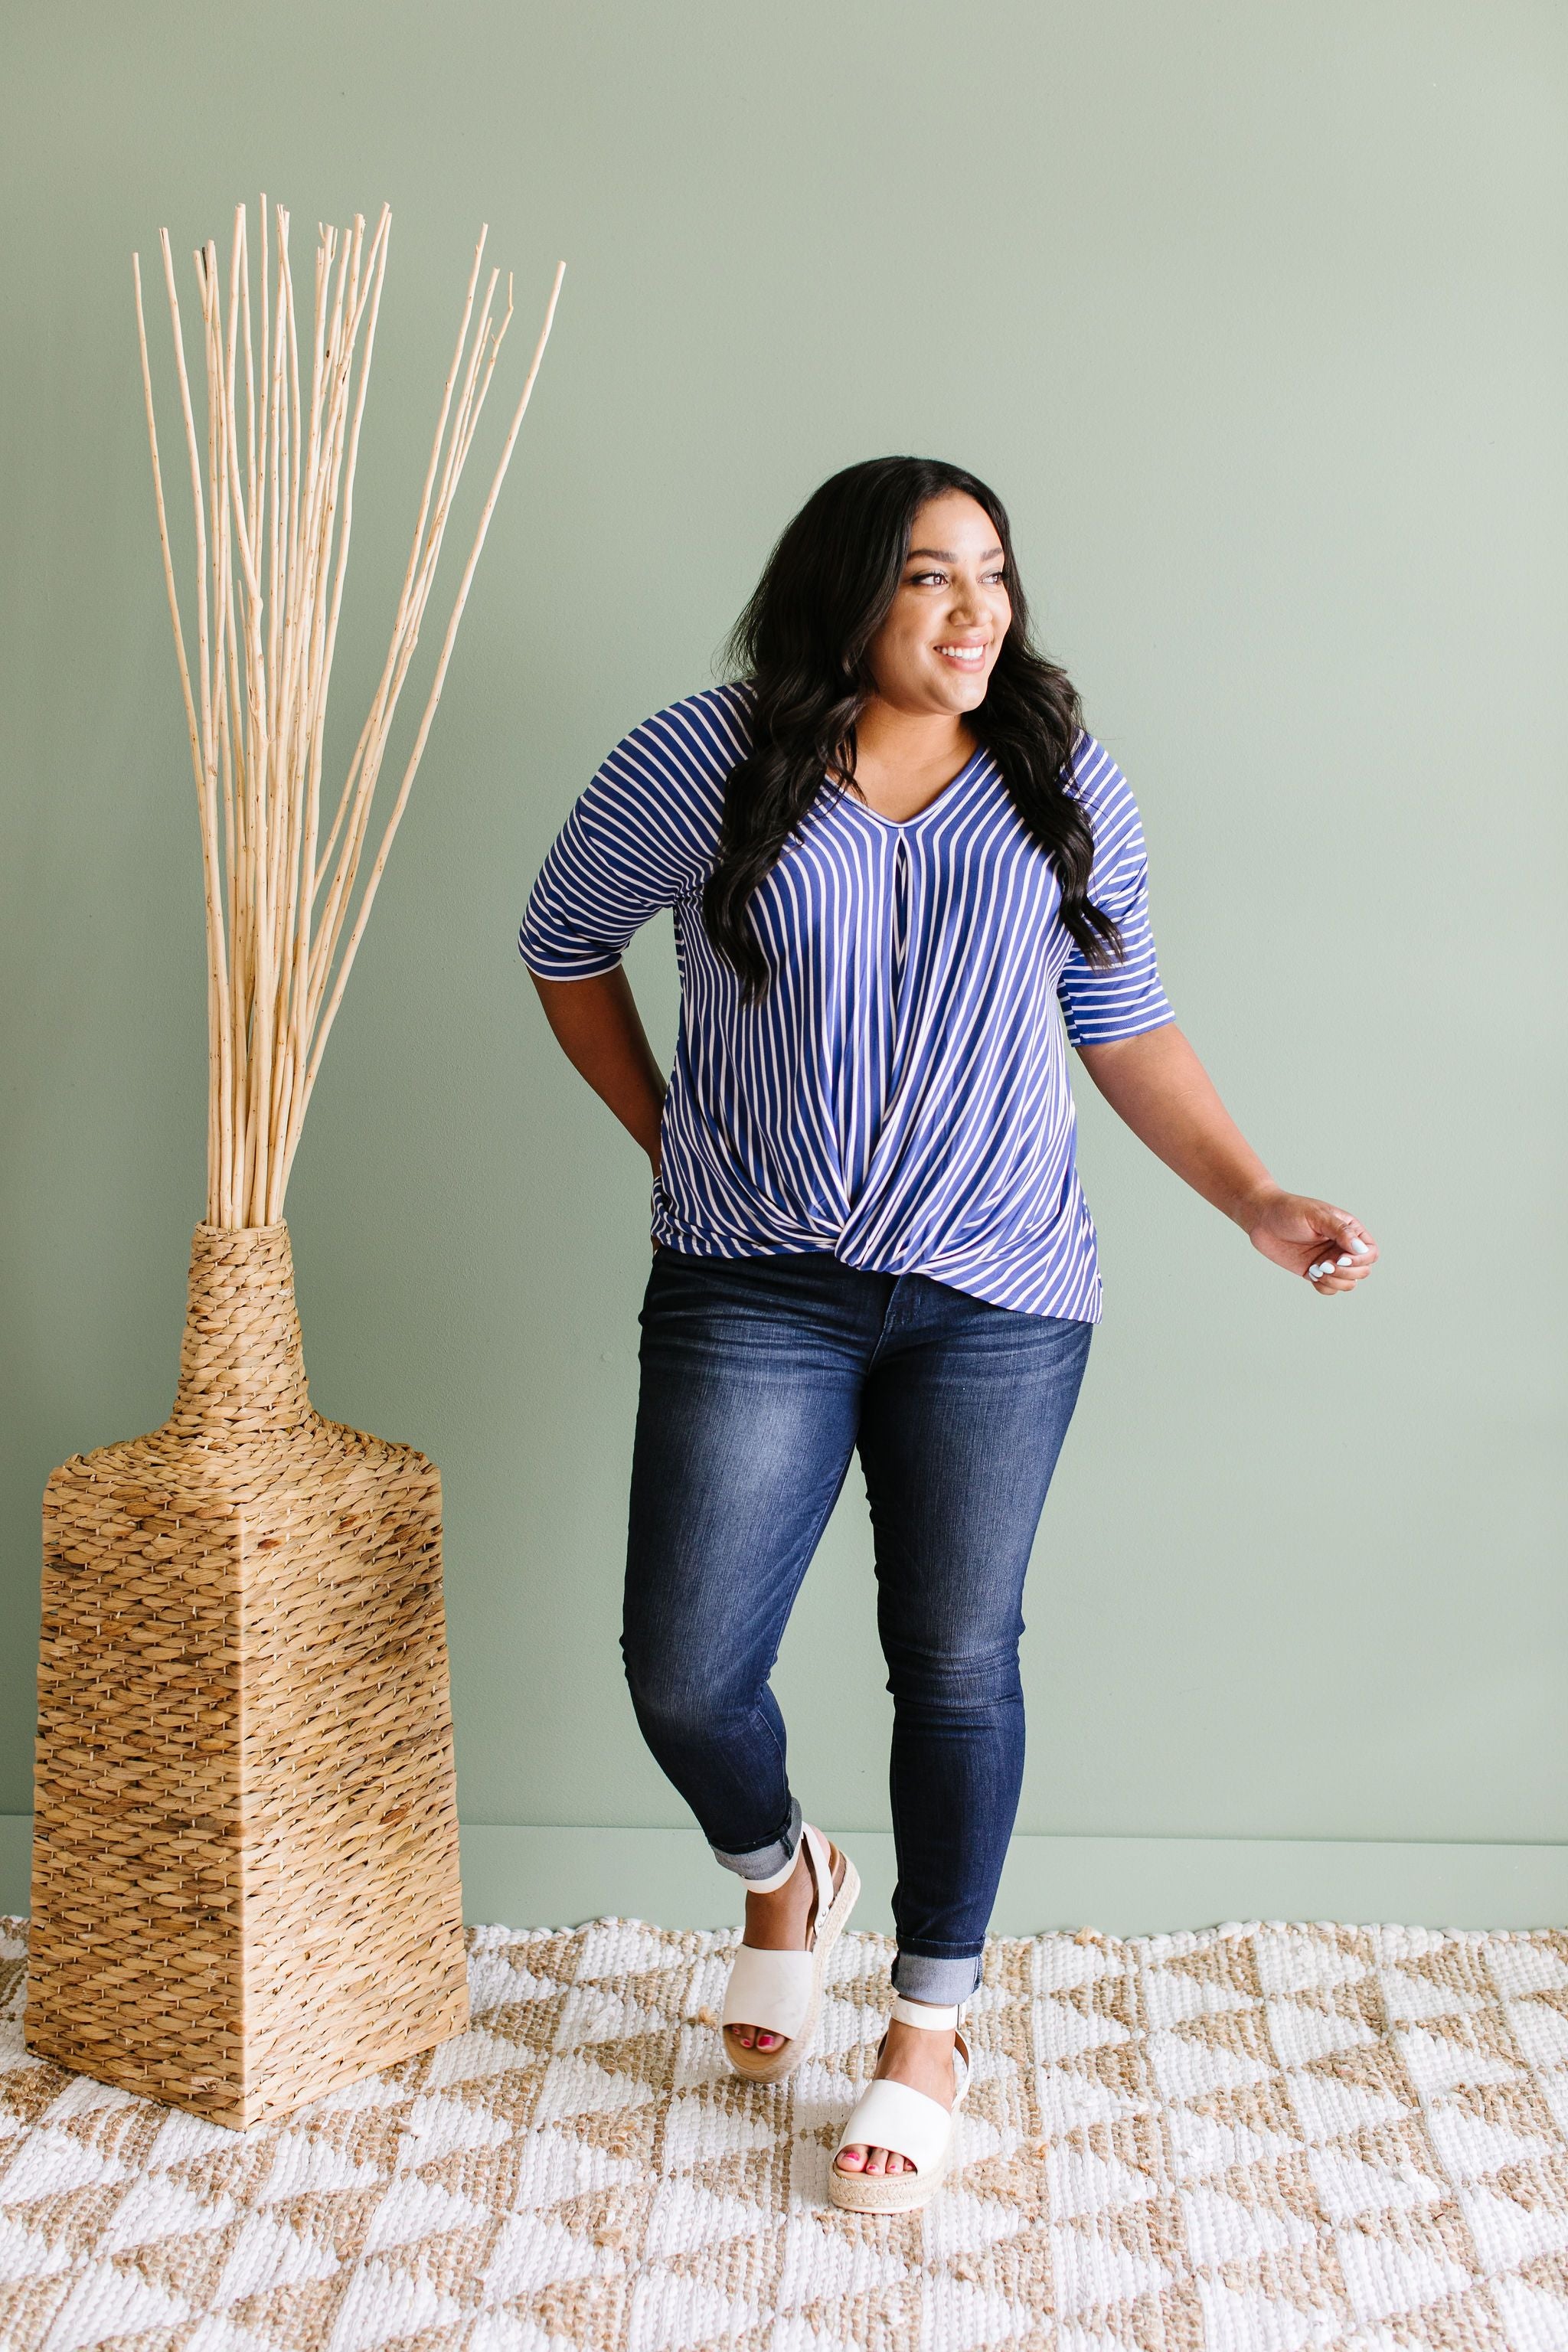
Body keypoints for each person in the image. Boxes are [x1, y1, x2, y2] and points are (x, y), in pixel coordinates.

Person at [519, 455, 1379, 2213]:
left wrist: (1252, 1195)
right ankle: (784, 1879)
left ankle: (928, 2026)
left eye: (991, 571)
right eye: (930, 575)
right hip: (752, 1275)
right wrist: (670, 1136)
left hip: (998, 1290)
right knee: (683, 1668)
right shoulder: (704, 762)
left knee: (958, 1656)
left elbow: (1121, 1016)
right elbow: (560, 940)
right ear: (845, 591)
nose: (976, 608)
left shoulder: (1057, 777)